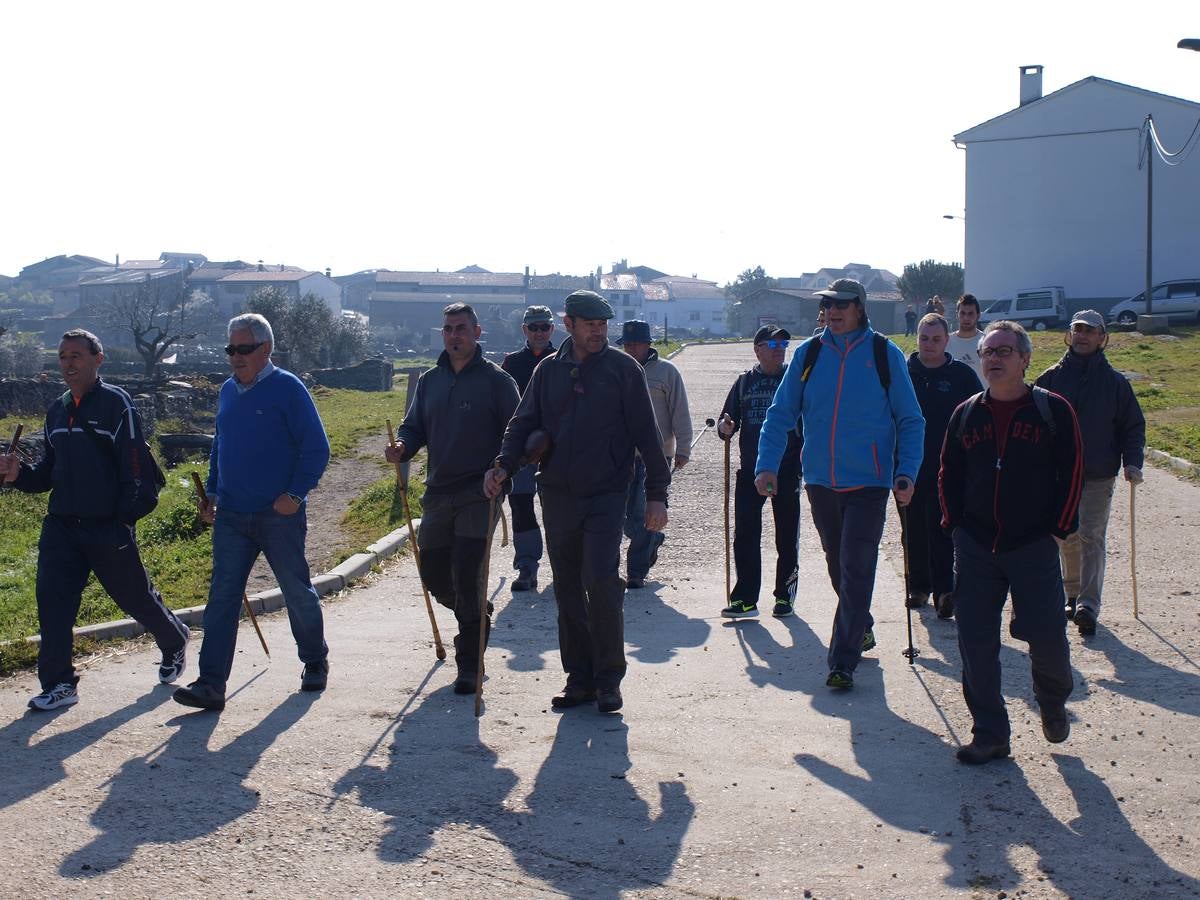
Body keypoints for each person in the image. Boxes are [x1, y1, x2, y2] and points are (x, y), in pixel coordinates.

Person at [484, 290, 669, 714]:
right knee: (567, 588)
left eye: (604, 325)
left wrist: (657, 495)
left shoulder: (623, 370)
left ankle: (608, 680)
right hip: (558, 495)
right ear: (569, 324)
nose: (599, 332)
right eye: (590, 325)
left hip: (607, 494)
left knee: (601, 582)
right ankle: (579, 678)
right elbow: (522, 423)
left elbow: (647, 435)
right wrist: (503, 465)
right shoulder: (548, 372)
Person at [1, 329, 189, 711]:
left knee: (134, 597)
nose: (68, 364)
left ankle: (173, 639)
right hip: (61, 528)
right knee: (52, 605)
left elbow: (136, 471)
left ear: (97, 359)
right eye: (62, 356)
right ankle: (60, 684)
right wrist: (18, 474)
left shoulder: (117, 406)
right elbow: (46, 475)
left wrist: (122, 521)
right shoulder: (56, 410)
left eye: (76, 356)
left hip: (107, 526)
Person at [755, 279, 924, 690]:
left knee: (856, 564)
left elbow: (910, 419)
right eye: (828, 303)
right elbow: (781, 413)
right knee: (836, 561)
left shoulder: (885, 354)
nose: (833, 310)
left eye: (843, 304)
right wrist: (767, 465)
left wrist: (907, 472)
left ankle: (842, 661)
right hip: (820, 480)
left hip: (869, 481)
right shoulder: (809, 354)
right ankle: (860, 624)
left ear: (860, 308)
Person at [940, 320, 1083, 764]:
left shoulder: (1052, 410)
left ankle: (1053, 699)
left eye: (1004, 351)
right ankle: (990, 734)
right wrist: (955, 525)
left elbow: (1072, 471)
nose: (994, 358)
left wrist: (1057, 527)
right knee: (976, 642)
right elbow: (949, 472)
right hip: (978, 546)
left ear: (1025, 359)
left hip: (1033, 545)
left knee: (1047, 637)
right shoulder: (966, 413)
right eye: (987, 351)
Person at [174, 314, 332, 711]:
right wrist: (211, 493)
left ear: (266, 349)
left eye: (243, 349)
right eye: (230, 349)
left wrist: (294, 495)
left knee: (296, 591)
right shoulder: (228, 391)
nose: (234, 357)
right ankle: (211, 685)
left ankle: (314, 659)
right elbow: (219, 448)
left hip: (278, 515)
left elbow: (317, 448)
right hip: (231, 515)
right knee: (222, 599)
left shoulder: (288, 389)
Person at [387, 303, 520, 694]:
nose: (454, 335)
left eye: (461, 328)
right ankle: (476, 612)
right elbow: (414, 428)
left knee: (467, 572)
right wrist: (402, 446)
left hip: (481, 493)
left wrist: (502, 469)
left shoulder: (498, 382)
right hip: (438, 492)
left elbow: (516, 434)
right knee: (434, 576)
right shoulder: (430, 381)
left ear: (477, 332)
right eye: (447, 329)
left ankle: (469, 664)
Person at [1034, 309, 1145, 636]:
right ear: (1069, 334)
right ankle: (1072, 593)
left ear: (1102, 337)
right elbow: (1033, 420)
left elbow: (1132, 426)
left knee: (1091, 535)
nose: (1082, 335)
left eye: (1089, 330)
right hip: (1059, 473)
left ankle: (1088, 605)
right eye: (1077, 329)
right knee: (1066, 533)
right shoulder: (1051, 379)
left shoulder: (1115, 384)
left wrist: (1132, 461)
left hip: (1099, 473)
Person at [717, 325, 801, 619]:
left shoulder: (794, 381)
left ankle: (784, 597)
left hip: (788, 469)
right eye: (772, 344)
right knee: (746, 535)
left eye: (783, 344)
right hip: (751, 470)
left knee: (786, 536)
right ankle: (745, 598)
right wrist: (724, 427)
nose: (779, 349)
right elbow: (726, 423)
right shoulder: (744, 383)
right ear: (757, 349)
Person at [904, 313, 982, 618]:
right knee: (913, 529)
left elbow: (979, 412)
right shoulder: (904, 372)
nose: (929, 345)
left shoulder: (961, 375)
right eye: (924, 338)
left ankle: (944, 590)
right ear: (917, 338)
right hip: (909, 465)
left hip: (948, 466)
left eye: (936, 339)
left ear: (946, 340)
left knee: (943, 526)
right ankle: (919, 588)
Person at [617, 319, 692, 589]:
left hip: (656, 456)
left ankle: (636, 571)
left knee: (643, 512)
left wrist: (683, 448)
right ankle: (651, 540)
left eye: (636, 344)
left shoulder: (667, 372)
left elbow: (680, 411)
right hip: (621, 455)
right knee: (622, 516)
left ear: (648, 344)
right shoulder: (618, 369)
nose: (631, 349)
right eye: (627, 344)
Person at [501, 306, 557, 592]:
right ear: (524, 330)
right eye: (533, 327)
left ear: (552, 329)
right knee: (521, 506)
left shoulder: (564, 360)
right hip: (523, 450)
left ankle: (565, 566)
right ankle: (527, 566)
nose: (539, 333)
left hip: (558, 449)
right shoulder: (511, 363)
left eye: (544, 327)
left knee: (559, 510)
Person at [947, 294, 984, 379]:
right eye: (962, 313)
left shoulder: (987, 342)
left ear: (978, 315)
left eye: (970, 314)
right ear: (957, 314)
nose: (966, 318)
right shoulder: (946, 342)